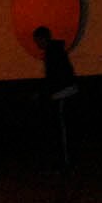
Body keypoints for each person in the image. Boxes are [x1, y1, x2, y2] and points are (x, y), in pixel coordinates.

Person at [33, 25, 78, 168]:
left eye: (37, 40)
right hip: (65, 91)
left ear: (42, 39)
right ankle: (65, 162)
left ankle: (66, 163)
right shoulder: (55, 51)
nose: (36, 44)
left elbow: (54, 78)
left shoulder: (52, 54)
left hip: (63, 93)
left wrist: (45, 94)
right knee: (63, 129)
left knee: (62, 129)